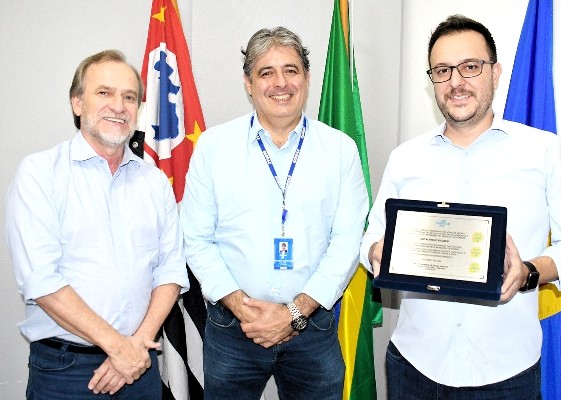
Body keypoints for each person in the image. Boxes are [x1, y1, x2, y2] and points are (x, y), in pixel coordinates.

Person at [361, 15, 561, 400]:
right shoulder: (405, 157)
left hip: (507, 371)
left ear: (495, 72)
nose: (456, 82)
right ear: (433, 81)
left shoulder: (545, 151)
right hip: (413, 365)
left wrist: (529, 273)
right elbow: (373, 235)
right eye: (442, 70)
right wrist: (378, 251)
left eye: (470, 67)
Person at [180, 27, 369, 399]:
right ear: (249, 83)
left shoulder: (340, 150)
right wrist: (243, 309)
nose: (280, 83)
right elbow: (196, 238)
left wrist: (295, 312)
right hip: (234, 328)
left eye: (291, 70)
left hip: (313, 331)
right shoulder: (214, 148)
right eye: (266, 72)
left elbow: (348, 241)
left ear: (307, 78)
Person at [5, 49, 189, 399]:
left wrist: (133, 348)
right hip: (66, 372)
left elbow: (170, 271)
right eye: (104, 93)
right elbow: (41, 281)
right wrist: (118, 348)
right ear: (77, 103)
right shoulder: (40, 174)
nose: (118, 106)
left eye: (129, 97)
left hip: (140, 366)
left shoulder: (154, 183)